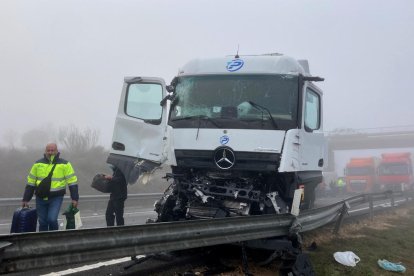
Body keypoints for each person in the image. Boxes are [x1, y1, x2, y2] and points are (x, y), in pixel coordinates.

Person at [22, 143, 79, 231]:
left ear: (57, 151)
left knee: (52, 219)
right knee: (42, 222)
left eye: (52, 150)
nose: (50, 152)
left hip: (56, 197)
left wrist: (75, 198)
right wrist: (26, 199)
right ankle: (43, 242)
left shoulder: (65, 164)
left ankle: (54, 240)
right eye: (48, 150)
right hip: (40, 197)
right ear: (45, 151)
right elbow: (31, 182)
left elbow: (72, 182)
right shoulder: (37, 164)